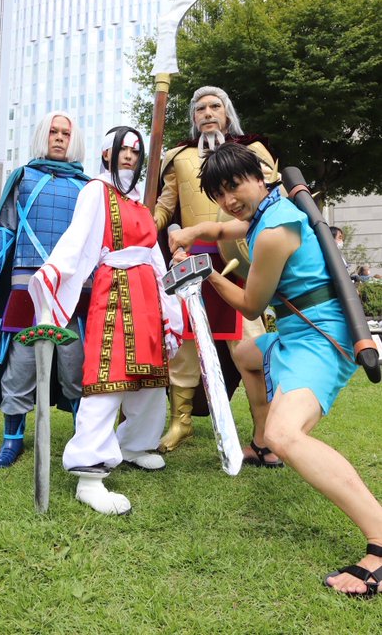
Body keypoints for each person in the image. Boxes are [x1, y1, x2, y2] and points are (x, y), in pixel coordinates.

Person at [169, 141, 382, 597]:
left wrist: (204, 272)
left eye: (235, 185)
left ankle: (381, 540)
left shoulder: (274, 230)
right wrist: (191, 232)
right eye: (219, 192)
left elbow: (251, 304)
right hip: (294, 333)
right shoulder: (267, 210)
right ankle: (262, 444)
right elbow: (222, 226)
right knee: (246, 355)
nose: (229, 199)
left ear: (260, 177)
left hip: (322, 338)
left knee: (290, 435)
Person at [29, 126, 183, 515]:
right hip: (114, 289)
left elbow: (152, 253)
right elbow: (76, 239)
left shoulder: (141, 203)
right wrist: (53, 275)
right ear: (106, 154)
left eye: (136, 150)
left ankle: (135, 443)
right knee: (108, 376)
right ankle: (89, 473)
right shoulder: (95, 191)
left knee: (152, 376)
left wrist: (169, 299)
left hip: (147, 292)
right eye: (122, 149)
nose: (129, 155)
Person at [154, 85, 282, 466]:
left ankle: (264, 434)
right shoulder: (179, 157)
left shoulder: (253, 151)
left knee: (251, 350)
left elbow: (272, 200)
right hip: (190, 263)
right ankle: (180, 422)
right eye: (200, 108)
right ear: (193, 117)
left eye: (215, 106)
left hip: (241, 261)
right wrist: (141, 223)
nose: (208, 113)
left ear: (227, 113)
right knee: (184, 349)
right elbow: (165, 207)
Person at [0, 111, 90, 468]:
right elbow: (5, 228)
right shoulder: (23, 178)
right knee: (20, 366)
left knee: (75, 365)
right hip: (26, 285)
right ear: (44, 135)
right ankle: (12, 439)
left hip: (71, 289)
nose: (59, 138)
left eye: (66, 133)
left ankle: (84, 437)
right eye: (53, 132)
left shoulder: (88, 187)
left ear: (74, 139)